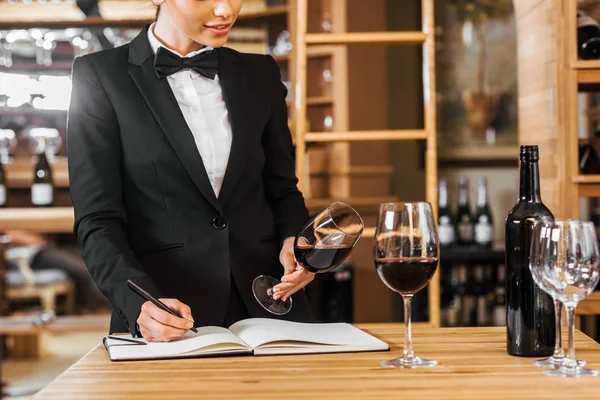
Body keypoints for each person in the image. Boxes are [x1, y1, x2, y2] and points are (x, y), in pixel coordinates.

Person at [67, 0, 315, 342]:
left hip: (271, 304)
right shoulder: (99, 75)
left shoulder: (261, 73)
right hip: (168, 315)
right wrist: (138, 304)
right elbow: (97, 220)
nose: (225, 10)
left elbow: (283, 189)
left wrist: (295, 240)